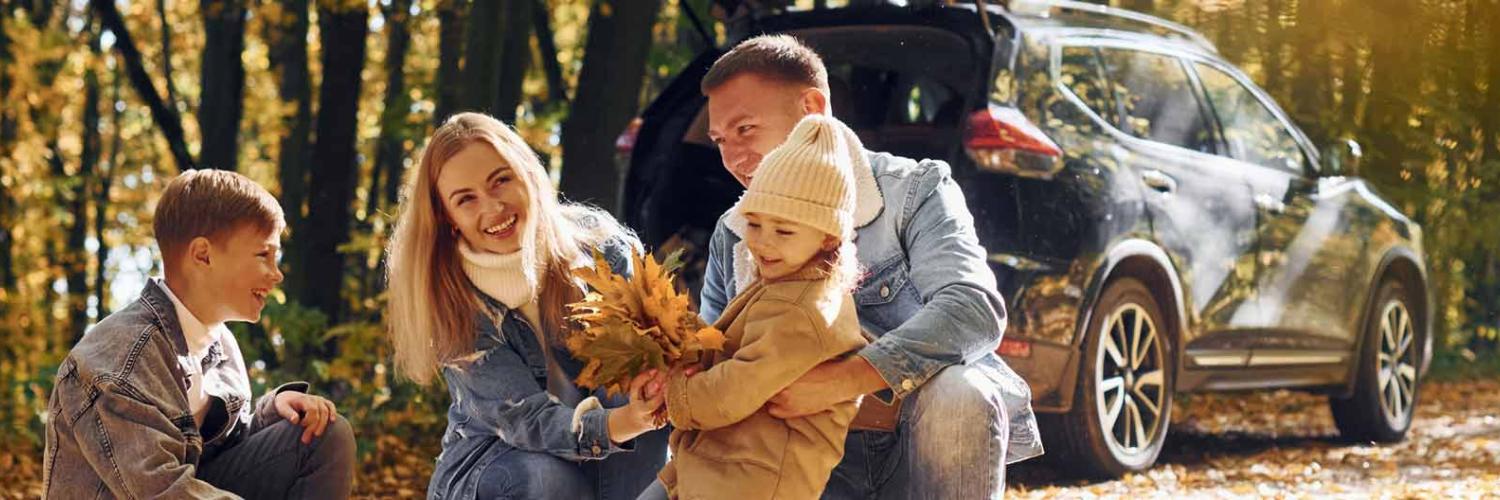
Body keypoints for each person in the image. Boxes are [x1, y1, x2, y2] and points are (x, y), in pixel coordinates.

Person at [697, 35, 1044, 498]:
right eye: (720, 140)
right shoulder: (734, 230)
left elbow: (972, 308)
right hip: (792, 459)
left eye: (745, 129)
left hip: (909, 445)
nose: (732, 157)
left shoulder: (914, 190)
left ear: (813, 108)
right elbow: (710, 351)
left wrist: (841, 381)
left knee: (961, 393)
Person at [384, 112, 669, 500]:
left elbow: (658, 344)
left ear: (527, 175)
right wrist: (624, 422)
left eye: (500, 181)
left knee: (645, 394)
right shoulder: (453, 300)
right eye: (466, 199)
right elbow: (525, 420)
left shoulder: (601, 247)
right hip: (500, 462)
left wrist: (648, 398)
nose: (493, 208)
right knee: (545, 479)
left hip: (612, 453)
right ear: (447, 218)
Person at [42, 169, 355, 499]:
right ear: (203, 255)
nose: (276, 274)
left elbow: (220, 451)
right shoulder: (120, 358)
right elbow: (160, 490)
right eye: (264, 255)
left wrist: (271, 413)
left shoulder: (220, 343)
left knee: (323, 434)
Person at [652, 114, 868, 499]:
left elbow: (731, 391)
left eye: (783, 231)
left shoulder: (807, 309)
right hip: (719, 465)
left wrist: (675, 391)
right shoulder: (782, 284)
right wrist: (681, 341)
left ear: (827, 238)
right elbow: (728, 346)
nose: (763, 242)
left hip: (753, 480)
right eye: (754, 225)